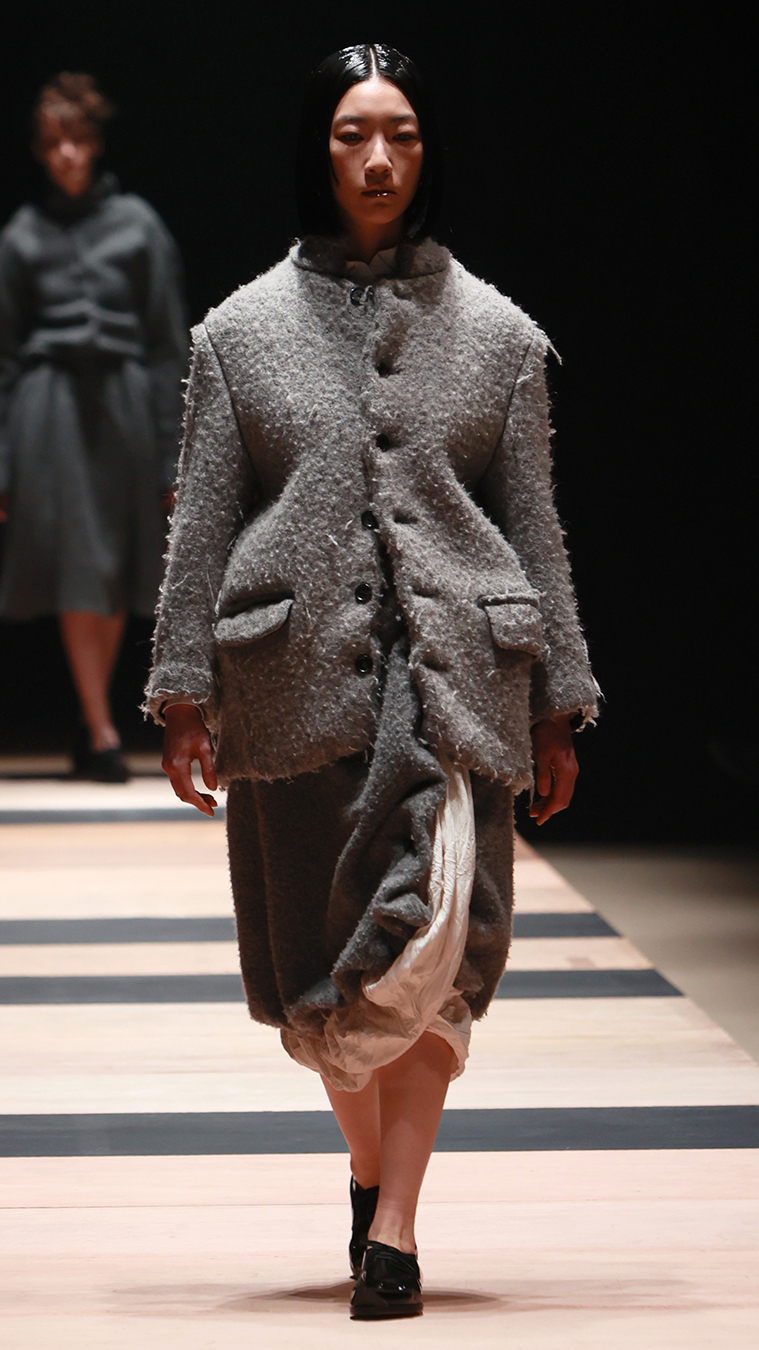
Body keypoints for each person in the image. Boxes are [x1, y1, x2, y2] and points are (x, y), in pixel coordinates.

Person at [146, 44, 599, 1319]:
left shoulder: (499, 334)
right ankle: (366, 1173)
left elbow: (536, 527)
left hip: (460, 683)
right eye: (354, 133)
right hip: (291, 688)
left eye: (400, 131)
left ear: (428, 147)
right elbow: (202, 525)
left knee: (441, 948)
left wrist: (559, 702)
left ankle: (394, 1229)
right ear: (320, 148)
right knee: (323, 974)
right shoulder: (239, 334)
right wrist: (181, 692)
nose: (380, 157)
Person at [0, 72, 187, 780]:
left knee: (113, 567)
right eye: (53, 143)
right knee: (80, 561)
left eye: (76, 139)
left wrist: (173, 451)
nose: (67, 154)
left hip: (125, 405)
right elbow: (4, 356)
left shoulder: (138, 224)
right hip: (49, 410)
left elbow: (167, 341)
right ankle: (104, 729)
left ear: (96, 142)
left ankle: (91, 716)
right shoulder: (21, 235)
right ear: (39, 150)